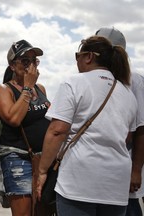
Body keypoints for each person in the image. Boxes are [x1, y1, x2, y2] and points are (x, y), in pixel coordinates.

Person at [37, 35, 137, 216]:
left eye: (78, 56)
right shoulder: (127, 92)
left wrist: (43, 171)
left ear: (89, 57)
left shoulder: (74, 83)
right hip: (116, 183)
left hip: (80, 180)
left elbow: (57, 131)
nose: (77, 61)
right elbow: (127, 137)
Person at [0, 39, 51, 216]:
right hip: (17, 156)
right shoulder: (4, 89)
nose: (31, 65)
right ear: (12, 65)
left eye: (34, 61)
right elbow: (13, 118)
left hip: (42, 158)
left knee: (42, 210)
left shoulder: (40, 88)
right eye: (25, 61)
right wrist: (27, 87)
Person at [96, 27, 144, 216]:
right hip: (102, 168)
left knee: (128, 208)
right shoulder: (97, 78)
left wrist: (136, 170)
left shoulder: (135, 81)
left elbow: (141, 128)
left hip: (126, 165)